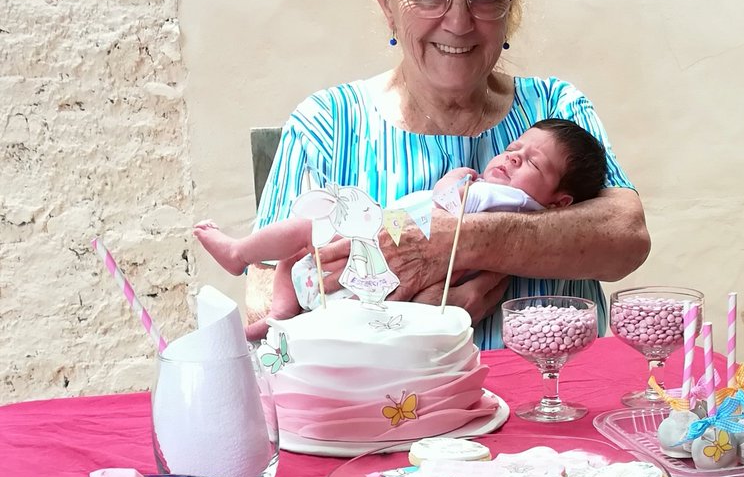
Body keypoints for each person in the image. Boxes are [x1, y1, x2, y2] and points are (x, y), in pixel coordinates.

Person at [246, 0, 650, 349]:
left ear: (510, 6)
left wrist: (449, 241)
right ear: (387, 1)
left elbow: (625, 236)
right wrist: (391, 332)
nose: (458, 21)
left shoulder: (556, 108)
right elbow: (264, 309)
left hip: (551, 405)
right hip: (385, 414)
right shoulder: (327, 125)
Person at [196, 120, 606, 327]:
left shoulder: (510, 201)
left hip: (381, 239)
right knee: (304, 253)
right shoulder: (512, 199)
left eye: (533, 161)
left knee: (309, 229)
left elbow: (450, 206)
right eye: (514, 148)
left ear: (559, 202)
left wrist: (456, 179)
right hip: (373, 286)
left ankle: (243, 256)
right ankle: (279, 315)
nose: (513, 157)